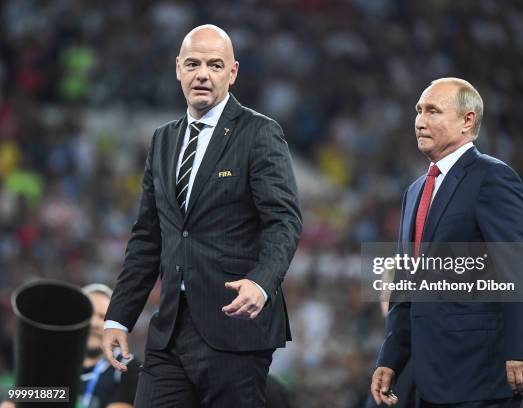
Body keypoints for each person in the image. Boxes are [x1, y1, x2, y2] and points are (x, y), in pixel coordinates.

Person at [101, 24, 302, 408]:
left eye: (214, 64)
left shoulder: (259, 133)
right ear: (178, 69)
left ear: (233, 72)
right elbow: (147, 237)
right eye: (192, 64)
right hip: (170, 331)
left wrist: (261, 284)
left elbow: (285, 220)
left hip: (236, 328)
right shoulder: (163, 140)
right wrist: (118, 318)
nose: (202, 74)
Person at [370, 78, 523, 407]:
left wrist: (522, 350)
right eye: (419, 110)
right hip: (428, 374)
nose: (420, 120)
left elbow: (521, 264)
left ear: (468, 120)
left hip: (480, 370)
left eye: (433, 111)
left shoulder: (492, 177)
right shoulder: (415, 191)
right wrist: (390, 358)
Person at [0, 284, 139, 408]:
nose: (94, 323)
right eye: (88, 315)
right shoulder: (51, 364)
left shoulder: (125, 367)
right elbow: (12, 402)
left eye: (102, 317)